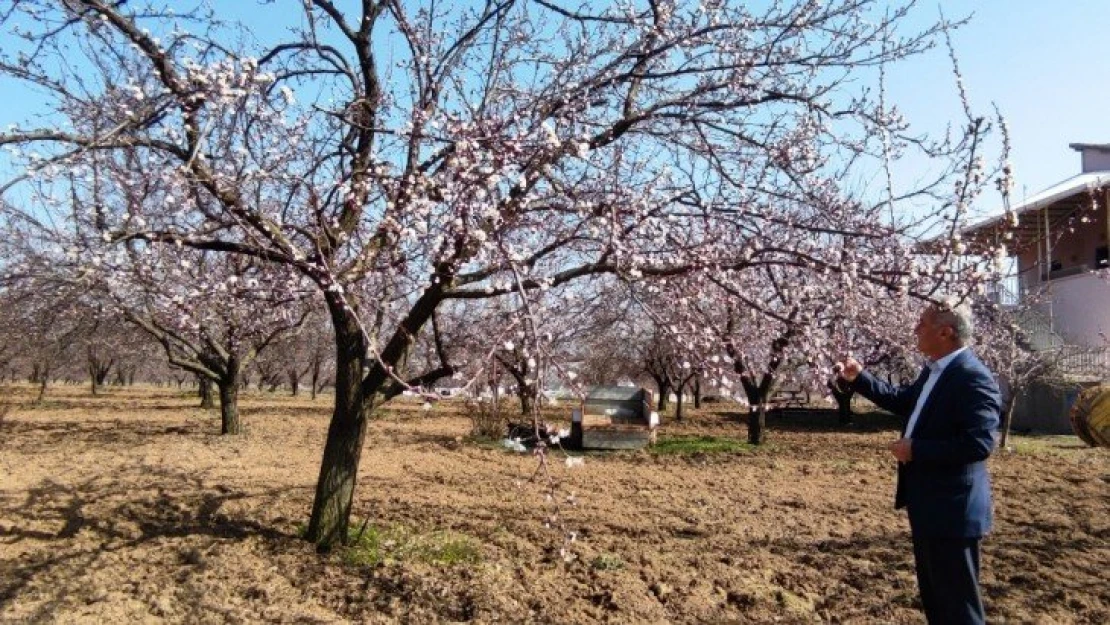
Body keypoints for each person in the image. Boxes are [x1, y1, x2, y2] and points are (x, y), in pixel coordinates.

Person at [836, 303, 1000, 625]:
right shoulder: (935, 370)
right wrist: (860, 379)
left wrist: (917, 450)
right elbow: (904, 402)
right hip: (929, 505)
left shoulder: (971, 377)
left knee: (959, 608)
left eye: (922, 323)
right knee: (937, 602)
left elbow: (980, 443)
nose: (915, 329)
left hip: (954, 510)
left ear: (945, 332)